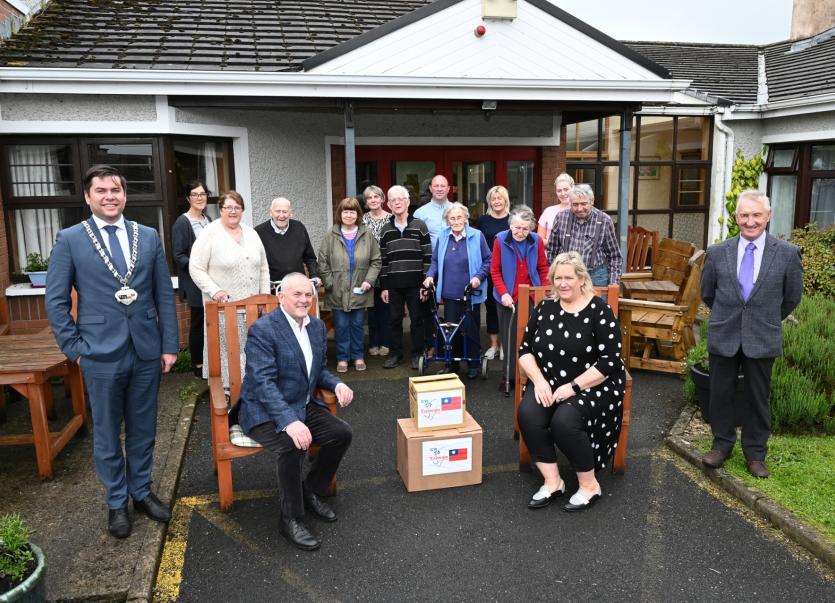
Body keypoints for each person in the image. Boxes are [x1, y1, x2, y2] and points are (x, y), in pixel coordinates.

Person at [45, 164, 178, 539]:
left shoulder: (148, 236)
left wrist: (169, 346)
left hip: (146, 350)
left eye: (115, 190)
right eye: (101, 190)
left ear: (125, 195)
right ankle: (117, 502)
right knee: (106, 433)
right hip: (99, 354)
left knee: (143, 429)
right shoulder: (70, 239)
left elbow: (162, 294)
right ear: (88, 197)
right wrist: (75, 350)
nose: (109, 196)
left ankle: (141, 492)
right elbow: (55, 301)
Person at [237, 272, 354, 551]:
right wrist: (289, 421)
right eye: (297, 294)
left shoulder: (314, 327)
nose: (304, 300)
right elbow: (262, 383)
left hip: (301, 403)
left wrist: (336, 384)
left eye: (308, 295)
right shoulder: (264, 330)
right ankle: (290, 518)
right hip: (263, 410)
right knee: (293, 445)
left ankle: (309, 491)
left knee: (341, 433)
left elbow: (318, 370)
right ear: (281, 297)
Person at [700, 190, 803, 478]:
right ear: (736, 218)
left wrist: (765, 318)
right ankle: (721, 446)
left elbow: (791, 297)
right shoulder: (717, 252)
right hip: (725, 334)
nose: (750, 221)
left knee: (758, 398)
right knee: (720, 395)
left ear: (768, 216)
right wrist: (730, 315)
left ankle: (756, 454)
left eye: (757, 215)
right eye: (744, 215)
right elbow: (707, 293)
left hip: (762, 336)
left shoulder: (787, 254)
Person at [517, 252, 626, 512]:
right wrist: (540, 381)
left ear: (581, 279)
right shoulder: (545, 307)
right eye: (558, 278)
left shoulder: (599, 310)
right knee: (529, 415)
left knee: (564, 422)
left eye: (568, 277)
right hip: (550, 380)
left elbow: (609, 361)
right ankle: (553, 481)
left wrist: (573, 387)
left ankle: (589, 485)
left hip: (594, 384)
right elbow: (526, 351)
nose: (562, 283)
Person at [189, 191, 270, 386]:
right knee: (227, 351)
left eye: (237, 207)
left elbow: (263, 268)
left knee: (252, 348)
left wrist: (264, 298)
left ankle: (252, 389)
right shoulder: (210, 233)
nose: (233, 211)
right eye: (228, 207)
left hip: (252, 308)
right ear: (221, 209)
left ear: (242, 210)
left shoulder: (251, 233)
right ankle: (227, 390)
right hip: (223, 308)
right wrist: (216, 291)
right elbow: (196, 268)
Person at [423, 202, 491, 379]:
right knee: (450, 331)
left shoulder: (477, 235)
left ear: (466, 218)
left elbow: (487, 260)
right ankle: (451, 364)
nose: (456, 221)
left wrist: (478, 278)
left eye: (459, 217)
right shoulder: (443, 236)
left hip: (471, 293)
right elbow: (436, 261)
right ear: (448, 221)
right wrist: (430, 276)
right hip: (450, 293)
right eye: (452, 218)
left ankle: (474, 364)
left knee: (471, 329)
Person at [318, 197, 381, 373]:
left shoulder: (366, 235)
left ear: (357, 214)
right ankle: (343, 358)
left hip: (361, 289)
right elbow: (322, 262)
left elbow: (376, 261)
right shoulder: (331, 235)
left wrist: (369, 280)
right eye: (345, 211)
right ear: (340, 213)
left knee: (357, 325)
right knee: (341, 326)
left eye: (352, 211)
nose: (348, 215)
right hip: (337, 290)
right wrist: (330, 282)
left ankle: (358, 356)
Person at [490, 206, 550, 391]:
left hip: (532, 295)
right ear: (510, 225)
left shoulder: (537, 240)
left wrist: (543, 291)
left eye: (525, 228)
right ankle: (508, 377)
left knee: (532, 339)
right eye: (516, 227)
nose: (520, 232)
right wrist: (504, 293)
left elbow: (543, 267)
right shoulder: (500, 240)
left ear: (531, 227)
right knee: (509, 340)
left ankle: (531, 377)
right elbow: (495, 271)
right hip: (507, 297)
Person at [378, 185, 432, 370]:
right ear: (389, 205)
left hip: (416, 283)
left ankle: (417, 354)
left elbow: (427, 256)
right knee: (394, 320)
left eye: (401, 199)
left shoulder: (420, 225)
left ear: (408, 202)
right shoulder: (385, 229)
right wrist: (384, 286)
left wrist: (426, 284)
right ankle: (396, 354)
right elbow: (383, 260)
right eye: (393, 200)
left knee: (417, 320)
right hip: (393, 284)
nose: (397, 202)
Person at [172, 180, 213, 377]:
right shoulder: (183, 222)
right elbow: (179, 256)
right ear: (188, 198)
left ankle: (211, 360)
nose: (200, 198)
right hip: (195, 281)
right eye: (195, 194)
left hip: (212, 281)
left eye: (203, 194)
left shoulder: (209, 220)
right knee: (198, 322)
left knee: (211, 321)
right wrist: (200, 268)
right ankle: (197, 365)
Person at [545, 184, 622, 287]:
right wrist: (556, 275)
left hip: (596, 276)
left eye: (584, 204)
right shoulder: (561, 218)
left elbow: (614, 256)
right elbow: (552, 250)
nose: (579, 208)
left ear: (592, 201)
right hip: (566, 276)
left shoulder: (604, 220)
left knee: (596, 304)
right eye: (575, 204)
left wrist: (613, 282)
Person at [414, 174, 453, 354]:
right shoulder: (420, 213)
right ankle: (430, 345)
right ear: (430, 188)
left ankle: (452, 344)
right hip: (429, 265)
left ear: (448, 189)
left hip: (453, 265)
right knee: (428, 307)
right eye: (435, 186)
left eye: (442, 186)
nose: (439, 189)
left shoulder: (456, 210)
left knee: (454, 305)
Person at [476, 185, 510, 361]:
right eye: (493, 199)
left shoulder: (513, 220)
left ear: (505, 200)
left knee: (505, 308)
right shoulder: (483, 221)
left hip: (508, 270)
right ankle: (494, 345)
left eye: (500, 198)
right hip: (489, 269)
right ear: (490, 201)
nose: (497, 202)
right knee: (490, 307)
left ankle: (505, 346)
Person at [254, 197, 320, 287]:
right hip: (272, 289)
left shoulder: (299, 228)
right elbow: (255, 263)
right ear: (271, 212)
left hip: (298, 287)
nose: (281, 215)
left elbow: (310, 258)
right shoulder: (259, 232)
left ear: (290, 213)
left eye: (285, 212)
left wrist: (314, 275)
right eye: (278, 211)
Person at [361, 185, 392, 358]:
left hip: (387, 269)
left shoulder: (391, 218)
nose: (373, 200)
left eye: (376, 196)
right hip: (368, 271)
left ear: (382, 199)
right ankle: (373, 343)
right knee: (371, 311)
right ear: (366, 202)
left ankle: (386, 342)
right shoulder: (362, 220)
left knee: (386, 309)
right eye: (369, 198)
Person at [537, 173, 574, 246]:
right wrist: (557, 245)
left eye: (566, 189)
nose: (563, 193)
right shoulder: (548, 211)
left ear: (573, 188)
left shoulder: (579, 211)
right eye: (559, 191)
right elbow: (539, 239)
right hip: (551, 255)